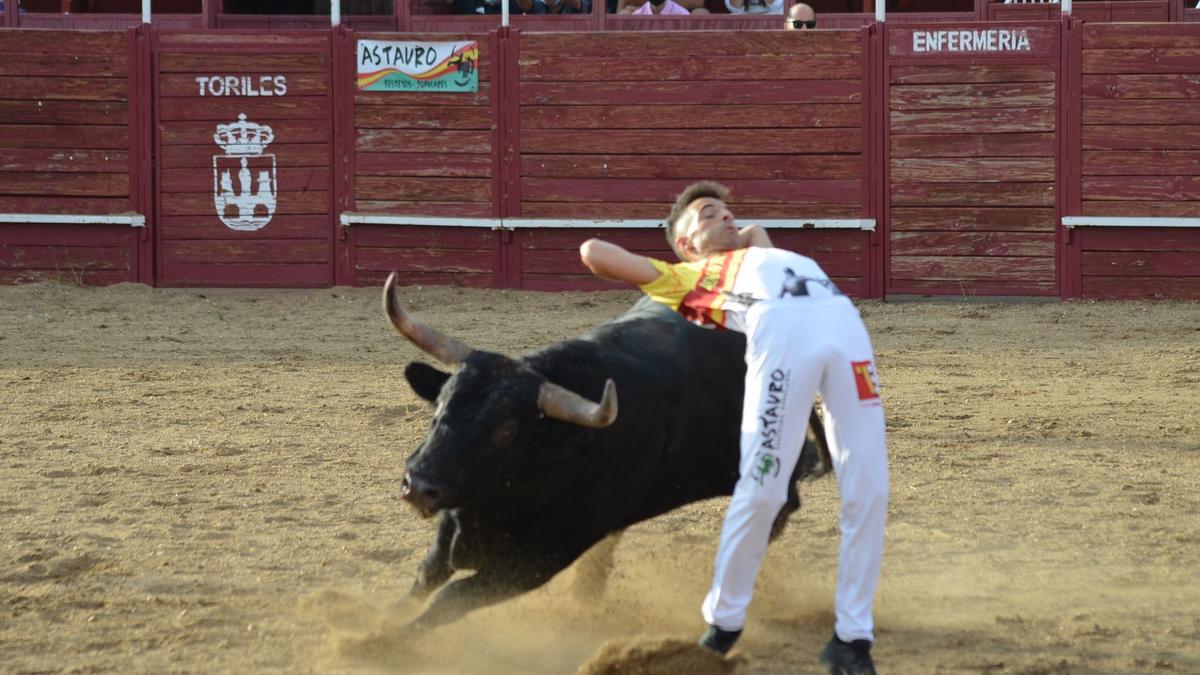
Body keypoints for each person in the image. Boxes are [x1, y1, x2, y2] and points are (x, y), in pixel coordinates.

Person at [578, 181, 888, 675]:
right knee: (762, 489)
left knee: (869, 490)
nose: (724, 218)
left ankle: (853, 637)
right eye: (706, 215)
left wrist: (737, 231)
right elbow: (593, 251)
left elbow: (760, 234)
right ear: (684, 244)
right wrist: (689, 257)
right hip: (781, 338)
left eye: (727, 212)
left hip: (846, 332)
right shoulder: (686, 277)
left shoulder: (760, 251)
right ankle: (723, 624)